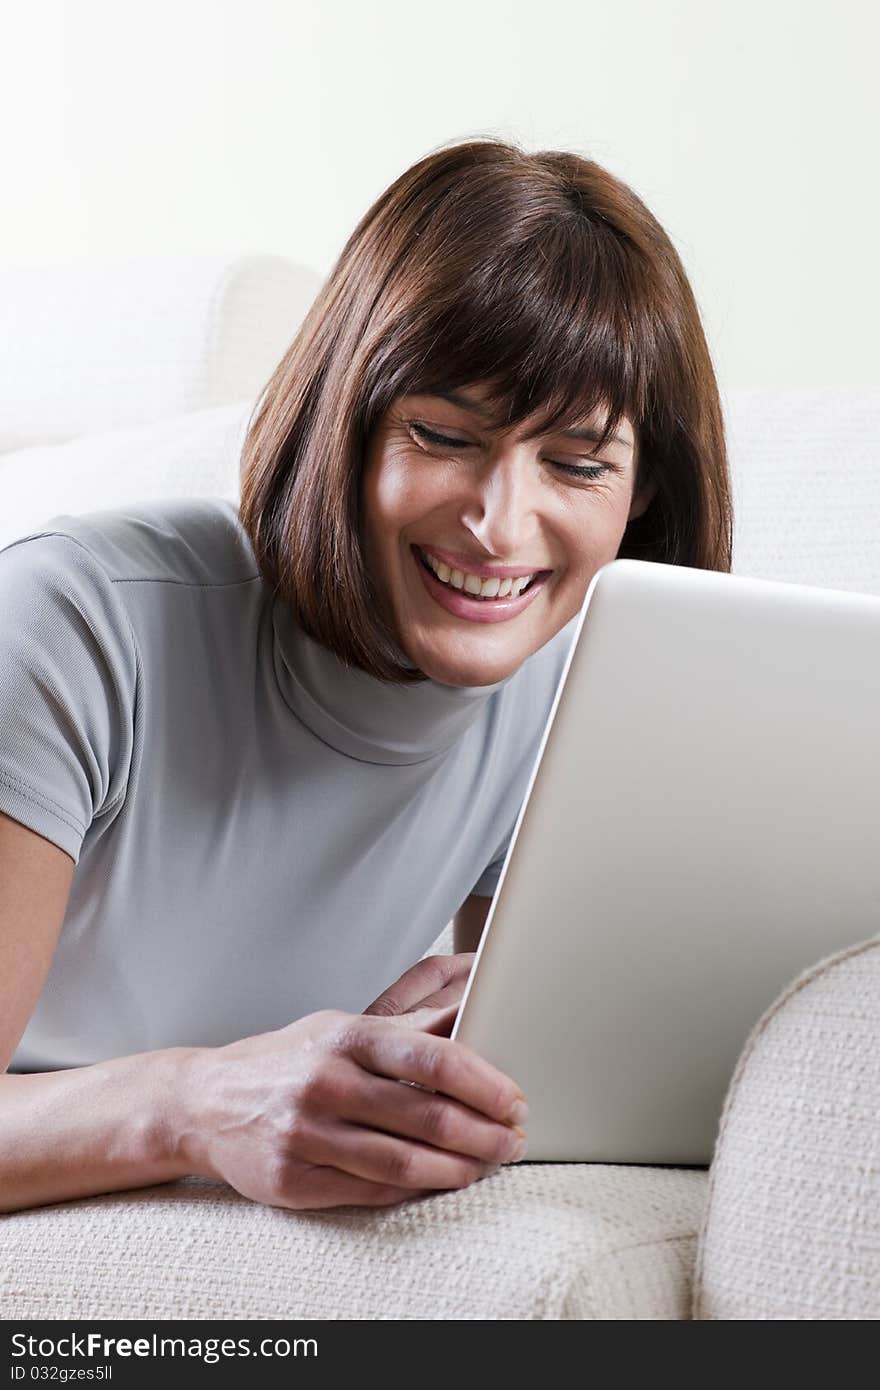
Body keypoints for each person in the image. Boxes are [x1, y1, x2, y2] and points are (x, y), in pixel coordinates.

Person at [0, 137, 733, 1214]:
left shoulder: (567, 696)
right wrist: (193, 1101)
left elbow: (540, 1120)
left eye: (577, 464)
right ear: (343, 426)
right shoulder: (79, 624)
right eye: (444, 436)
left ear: (641, 494)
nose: (500, 526)